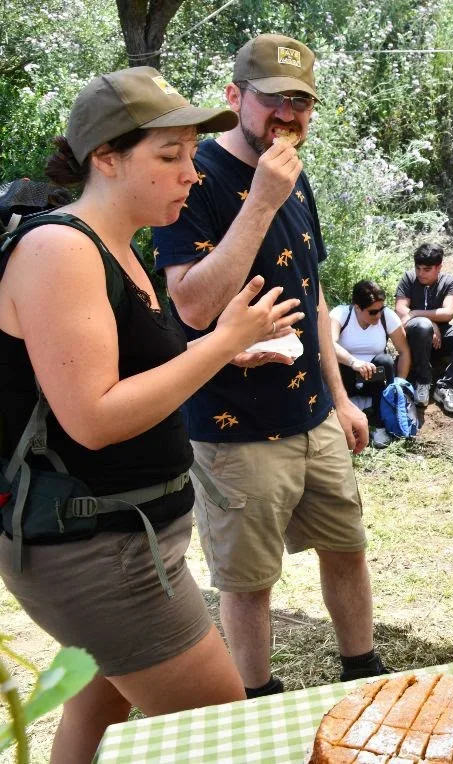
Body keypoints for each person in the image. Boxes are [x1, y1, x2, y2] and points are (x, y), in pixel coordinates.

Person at [0, 67, 304, 763]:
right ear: (105, 159)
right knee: (229, 738)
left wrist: (224, 355)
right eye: (168, 157)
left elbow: (123, 374)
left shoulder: (114, 246)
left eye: (190, 155)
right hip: (97, 551)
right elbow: (94, 418)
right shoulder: (60, 249)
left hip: (125, 534)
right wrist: (222, 340)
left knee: (100, 709)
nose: (190, 174)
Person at [152, 34, 391, 695]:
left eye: (300, 104)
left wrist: (340, 398)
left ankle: (361, 664)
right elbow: (193, 306)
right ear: (233, 99)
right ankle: (256, 696)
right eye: (272, 102)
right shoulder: (192, 177)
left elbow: (311, 297)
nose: (288, 117)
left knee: (347, 546)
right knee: (248, 580)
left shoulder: (294, 173)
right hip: (232, 427)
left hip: (311, 414)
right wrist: (259, 199)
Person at [394, 243, 453, 413]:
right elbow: (401, 309)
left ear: (439, 267)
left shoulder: (450, 282)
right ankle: (423, 381)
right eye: (418, 268)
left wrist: (417, 312)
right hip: (415, 337)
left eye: (426, 269)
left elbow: (448, 313)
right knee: (422, 325)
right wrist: (430, 323)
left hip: (442, 337)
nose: (421, 273)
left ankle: (446, 386)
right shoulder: (409, 279)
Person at [331, 280, 412, 447]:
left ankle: (381, 421)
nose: (379, 315)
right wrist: (354, 362)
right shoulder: (341, 314)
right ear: (357, 307)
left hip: (375, 380)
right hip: (348, 376)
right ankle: (344, 412)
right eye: (373, 312)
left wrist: (399, 384)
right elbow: (328, 344)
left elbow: (404, 352)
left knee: (385, 361)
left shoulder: (387, 317)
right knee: (336, 362)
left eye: (381, 310)